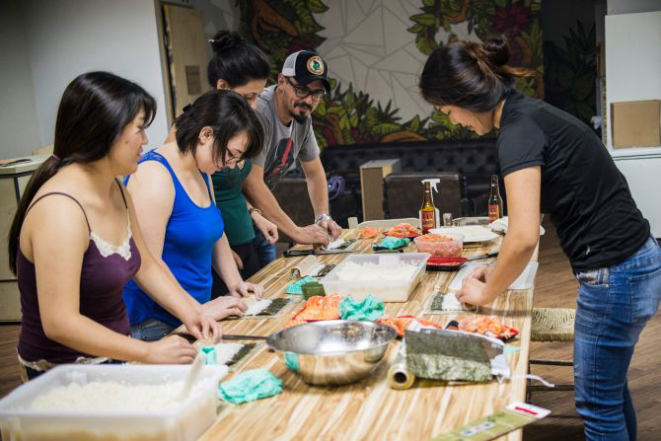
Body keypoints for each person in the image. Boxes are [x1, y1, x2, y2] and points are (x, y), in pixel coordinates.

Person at [419, 38, 661, 441]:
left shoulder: (517, 132)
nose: (454, 121)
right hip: (636, 261)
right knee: (610, 392)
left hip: (616, 274)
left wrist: (488, 291)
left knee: (598, 407)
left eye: (447, 111)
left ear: (461, 97)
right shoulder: (526, 113)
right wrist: (496, 270)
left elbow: (524, 236)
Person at [7, 72, 220, 380]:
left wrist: (193, 314)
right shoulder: (60, 210)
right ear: (104, 131)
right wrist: (148, 352)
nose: (146, 140)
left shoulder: (116, 189)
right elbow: (59, 322)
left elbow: (145, 264)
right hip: (62, 374)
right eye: (139, 128)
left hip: (115, 356)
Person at [123, 89, 265, 342]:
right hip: (154, 323)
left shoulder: (203, 170)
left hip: (191, 313)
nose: (231, 165)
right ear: (206, 134)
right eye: (231, 154)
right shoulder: (154, 176)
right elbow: (147, 264)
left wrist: (235, 283)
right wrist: (196, 309)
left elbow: (215, 231)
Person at [243, 50, 343, 267]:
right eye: (300, 89)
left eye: (316, 94)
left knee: (265, 287)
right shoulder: (260, 112)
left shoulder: (302, 117)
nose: (308, 100)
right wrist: (296, 232)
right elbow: (251, 182)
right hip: (238, 215)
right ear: (281, 81)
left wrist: (322, 217)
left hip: (263, 218)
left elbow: (315, 173)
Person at [205, 31, 279, 296]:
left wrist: (254, 213)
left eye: (258, 96)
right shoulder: (194, 133)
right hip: (221, 251)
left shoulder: (237, 126)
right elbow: (196, 200)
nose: (255, 105)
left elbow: (230, 187)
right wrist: (220, 251)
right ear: (223, 87)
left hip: (245, 237)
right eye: (249, 96)